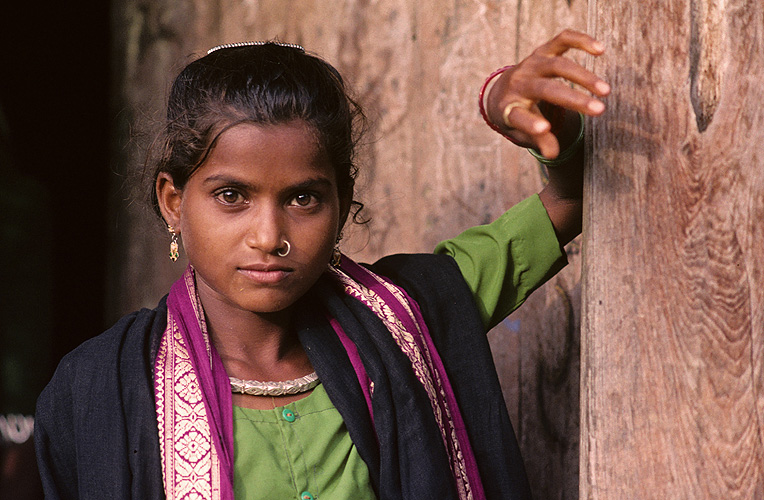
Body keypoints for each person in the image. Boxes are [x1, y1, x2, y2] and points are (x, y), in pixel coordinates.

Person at [34, 29, 609, 500]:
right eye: (232, 196)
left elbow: (571, 200)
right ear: (172, 202)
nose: (269, 236)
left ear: (341, 201)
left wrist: (505, 105)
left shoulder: (411, 314)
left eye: (303, 198)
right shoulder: (97, 388)